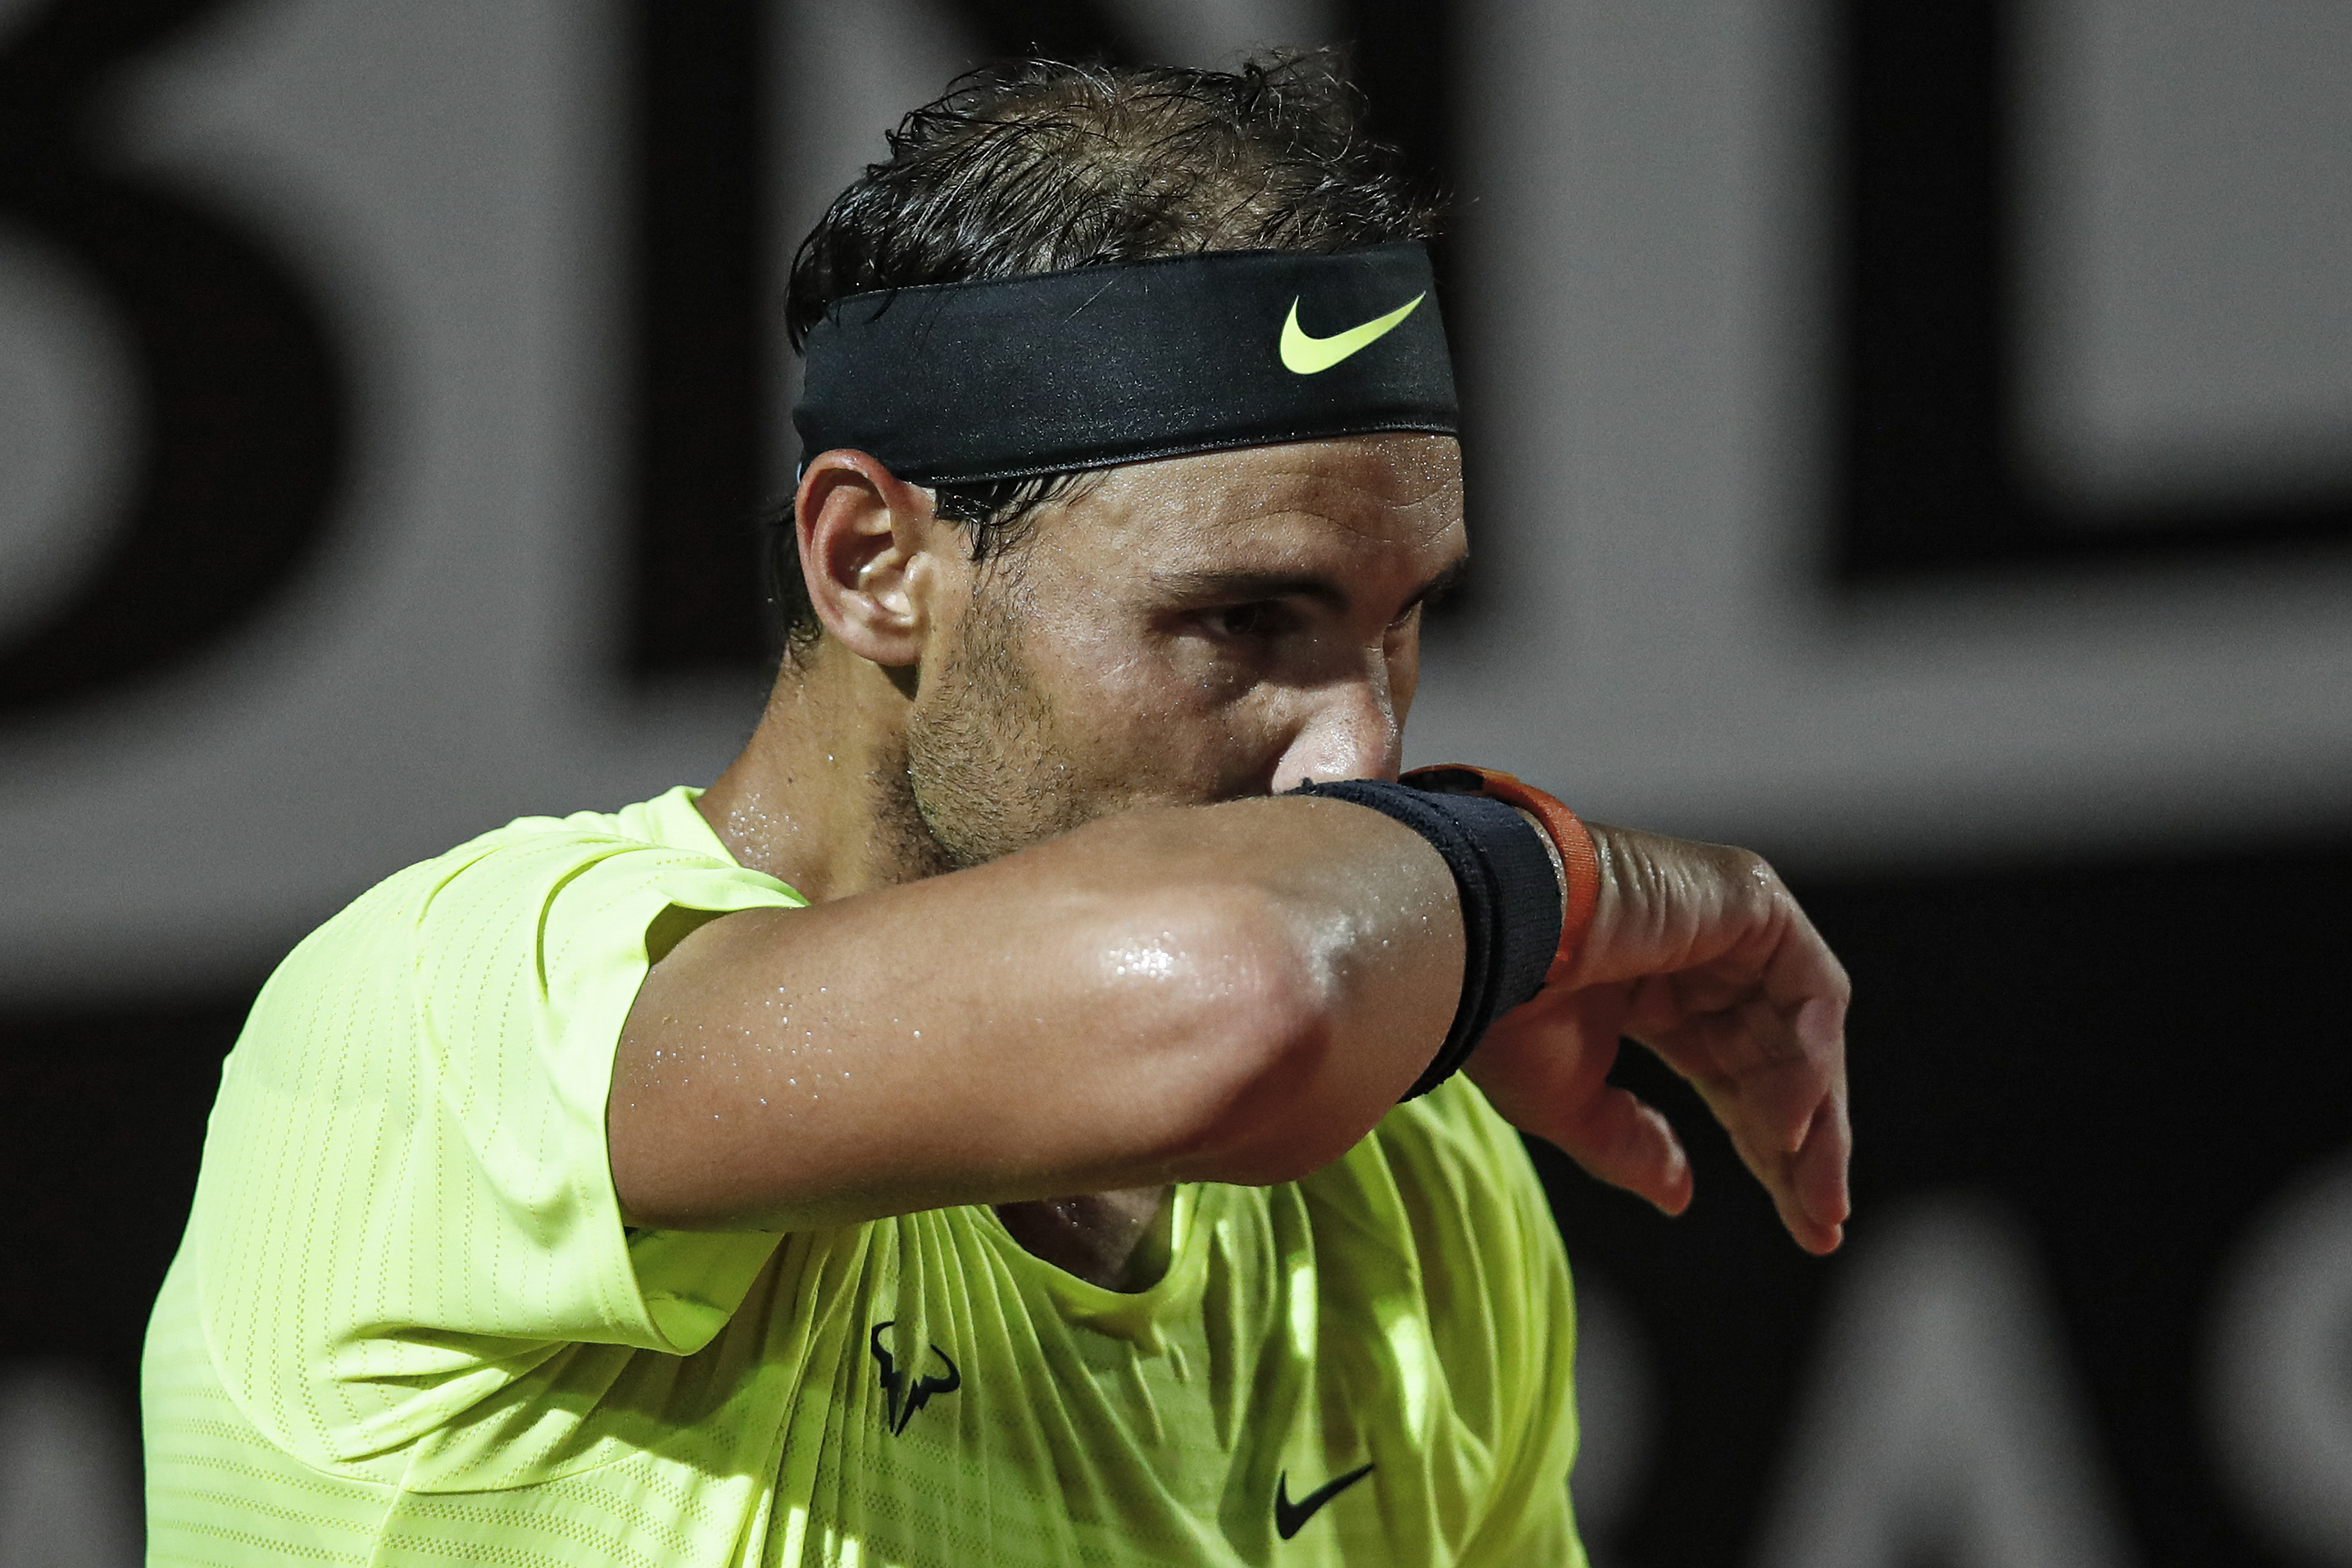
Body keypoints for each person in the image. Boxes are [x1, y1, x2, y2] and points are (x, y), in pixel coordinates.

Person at [142, 54, 1848, 1567]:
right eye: (1241, 622)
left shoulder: (1415, 1195)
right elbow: (1251, 988)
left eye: (1402, 624)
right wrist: (1560, 875)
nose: (1361, 755)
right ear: (874, 563)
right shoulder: (438, 1029)